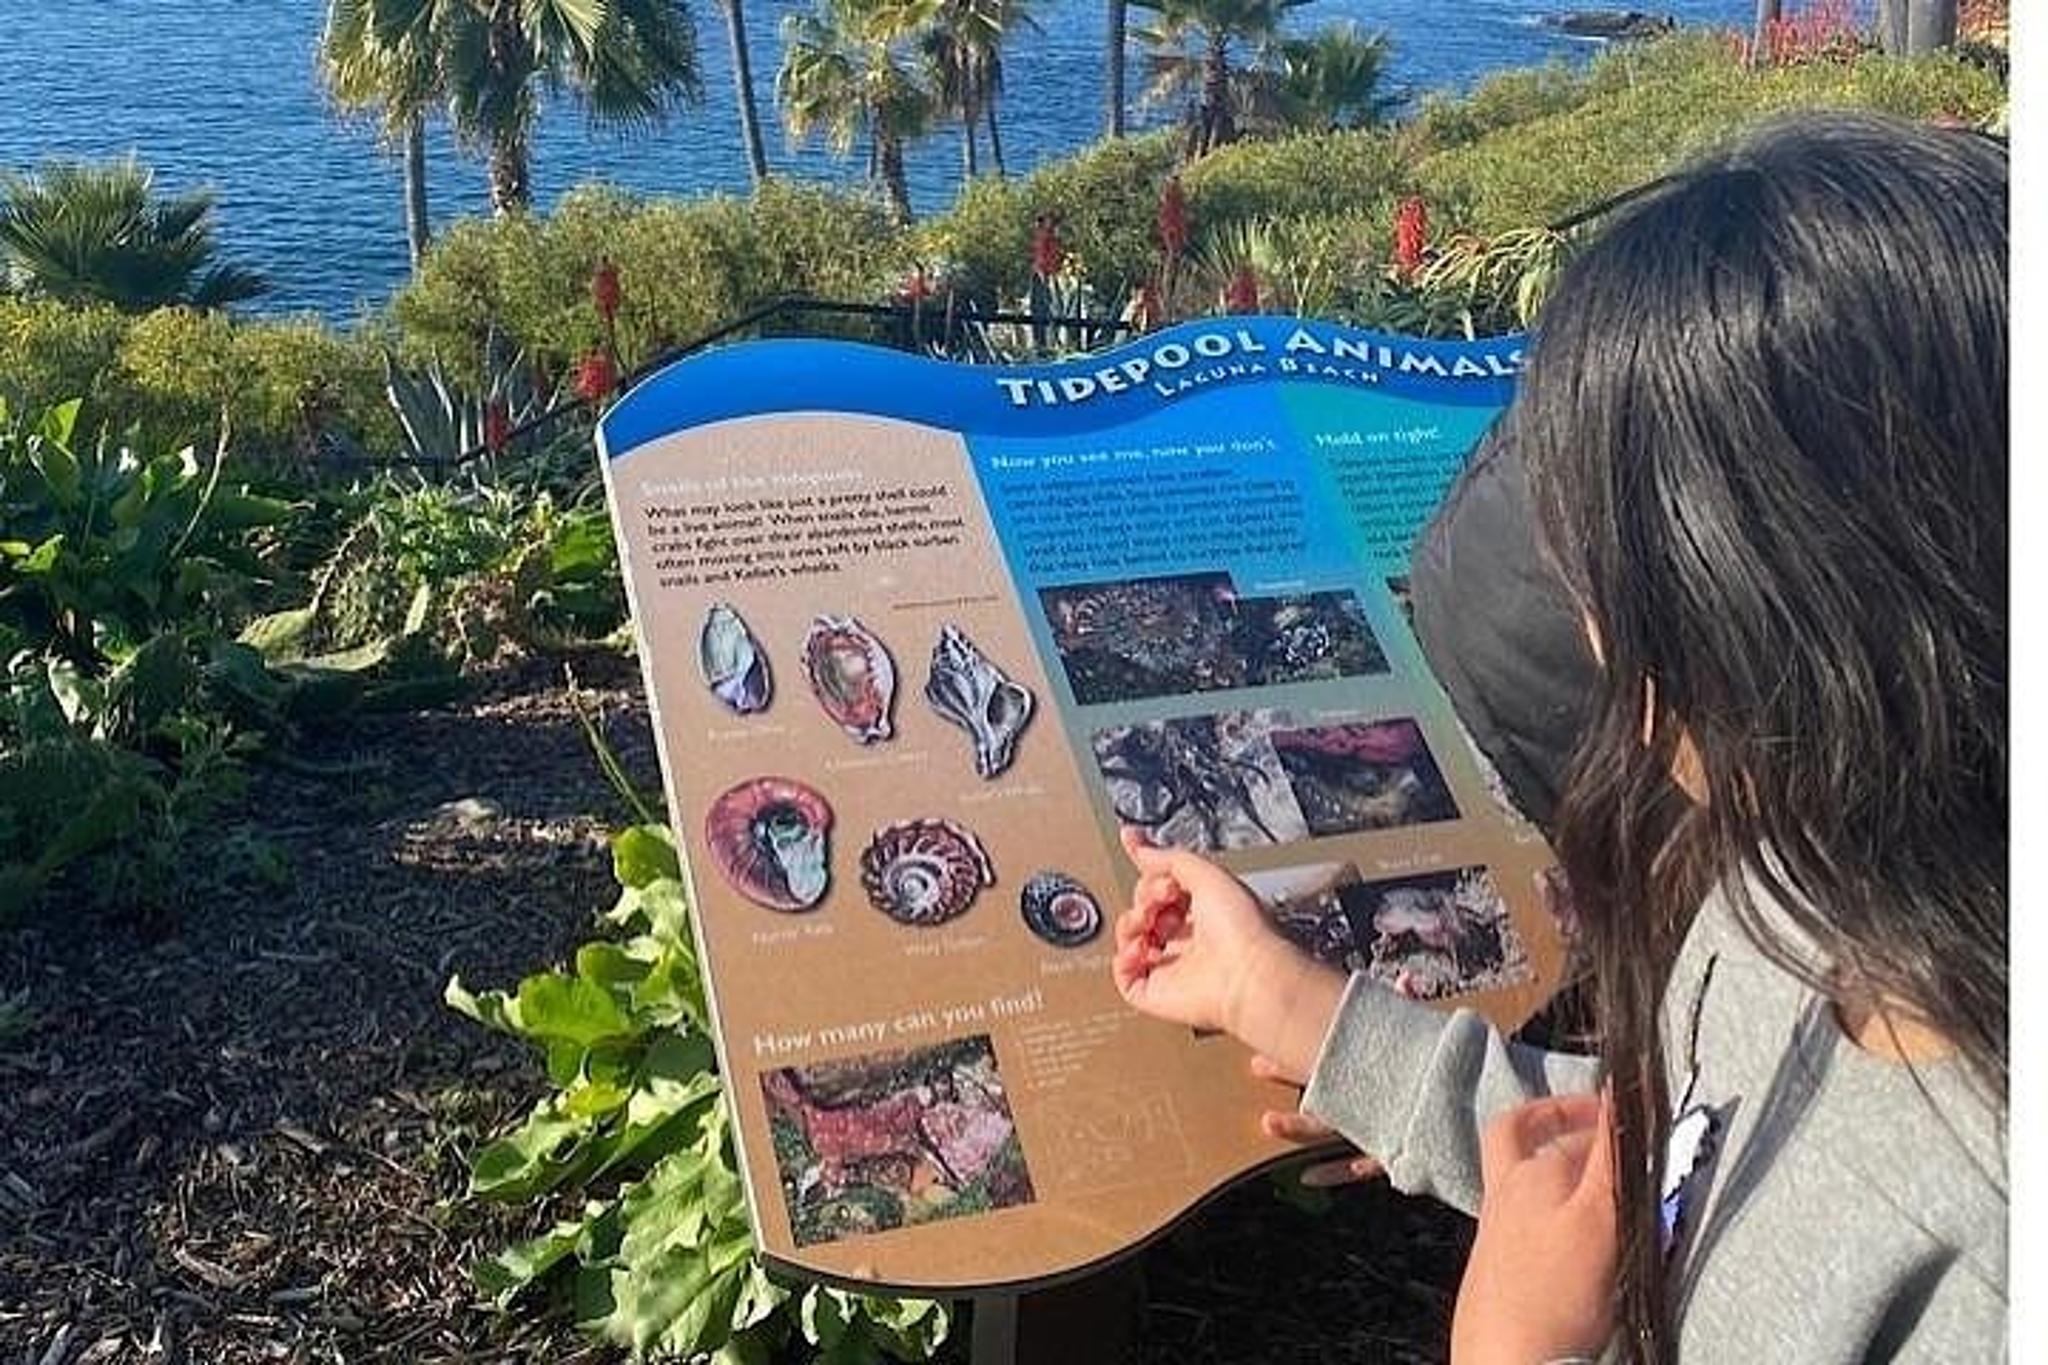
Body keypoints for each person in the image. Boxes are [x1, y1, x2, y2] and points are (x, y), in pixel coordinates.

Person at [1113, 112, 2007, 1364]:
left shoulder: (1984, 1254)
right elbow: (1662, 1159)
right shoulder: (1800, 876)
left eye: (1608, 565)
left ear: (1785, 605)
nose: (1589, 625)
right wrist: (1293, 1006)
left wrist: (1512, 1348)